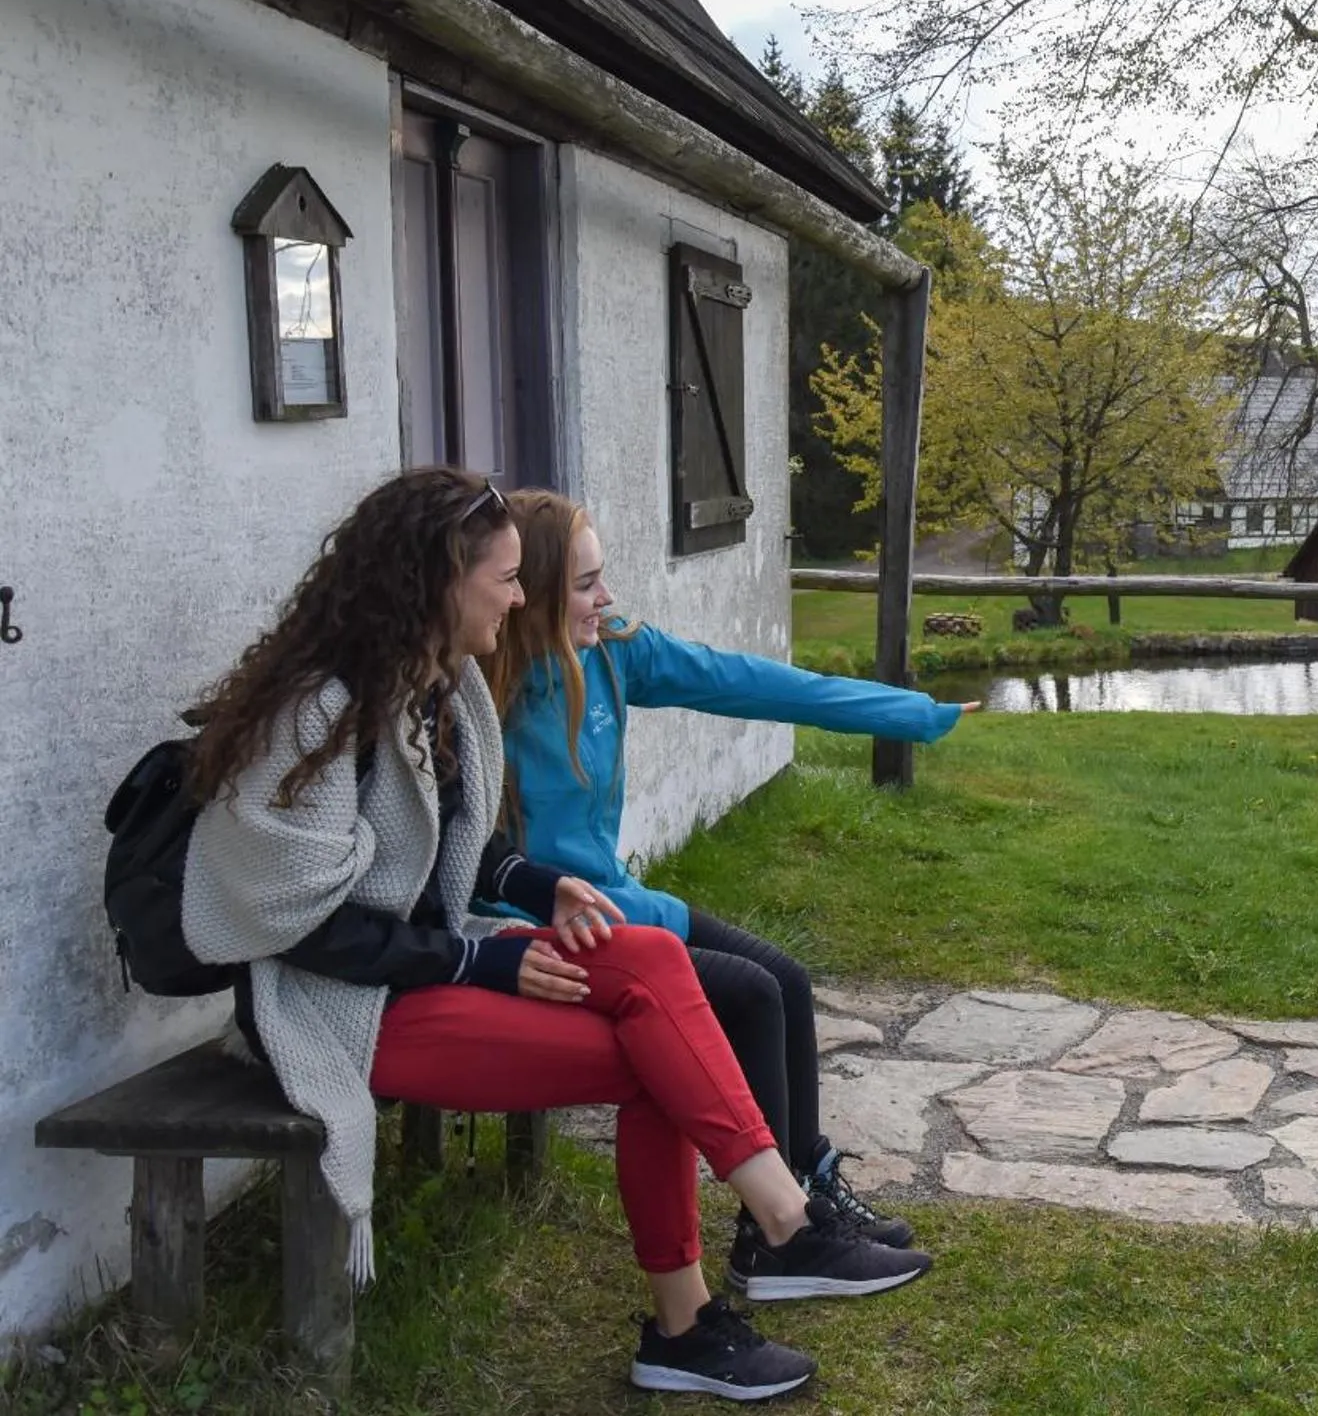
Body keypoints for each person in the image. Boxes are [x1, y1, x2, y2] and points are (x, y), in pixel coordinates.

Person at [179, 466, 927, 1402]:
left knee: (654, 963)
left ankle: (762, 1240)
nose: (517, 597)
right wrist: (479, 960)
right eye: (505, 579)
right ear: (437, 582)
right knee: (659, 1053)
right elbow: (304, 930)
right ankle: (729, 1281)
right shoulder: (318, 718)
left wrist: (541, 885)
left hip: (425, 971)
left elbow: (461, 850)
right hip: (343, 1008)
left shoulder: (437, 689)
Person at [478, 489, 969, 1280]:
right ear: (526, 595)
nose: (606, 598)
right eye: (585, 584)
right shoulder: (483, 691)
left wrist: (906, 713)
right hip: (538, 922)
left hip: (615, 901)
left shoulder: (613, 652)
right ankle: (774, 1239)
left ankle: (805, 1193)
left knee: (786, 978)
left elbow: (745, 682)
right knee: (750, 994)